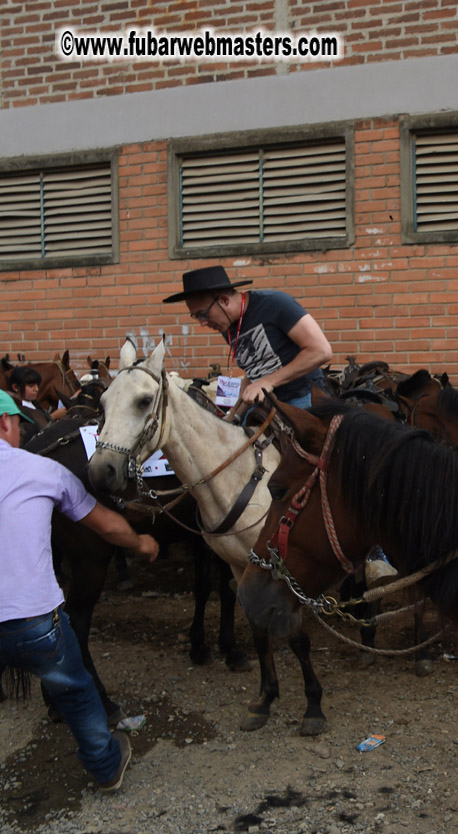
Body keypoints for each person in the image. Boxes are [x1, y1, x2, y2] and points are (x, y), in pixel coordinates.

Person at [0, 390, 160, 791]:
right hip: (34, 620)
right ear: (6, 423)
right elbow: (106, 524)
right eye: (18, 422)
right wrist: (141, 544)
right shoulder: (41, 471)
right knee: (75, 689)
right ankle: (105, 767)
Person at [162, 266, 333, 408]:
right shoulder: (227, 326)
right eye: (196, 317)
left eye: (203, 314)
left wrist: (269, 382)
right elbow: (254, 370)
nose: (202, 323)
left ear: (224, 301)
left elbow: (321, 351)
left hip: (304, 397)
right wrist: (235, 415)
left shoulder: (276, 303)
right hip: (264, 405)